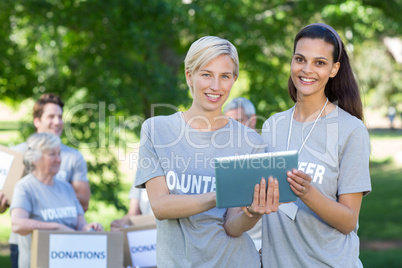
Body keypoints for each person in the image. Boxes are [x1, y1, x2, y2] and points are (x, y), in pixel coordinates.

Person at [134, 36, 279, 267]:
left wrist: (253, 211)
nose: (216, 86)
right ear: (189, 76)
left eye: (225, 76)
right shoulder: (156, 130)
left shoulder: (250, 142)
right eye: (206, 74)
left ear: (234, 79)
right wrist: (222, 193)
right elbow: (161, 206)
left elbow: (232, 226)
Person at [261, 23, 371, 267]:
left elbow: (348, 221)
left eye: (319, 63)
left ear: (334, 69)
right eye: (300, 59)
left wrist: (307, 193)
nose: (306, 69)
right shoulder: (271, 126)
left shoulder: (351, 130)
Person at [0, 93, 91, 268]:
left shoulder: (72, 158)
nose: (57, 122)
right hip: (24, 244)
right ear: (37, 121)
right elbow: (10, 212)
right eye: (51, 116)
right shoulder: (16, 157)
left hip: (66, 245)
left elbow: (82, 207)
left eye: (60, 117)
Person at [10, 133, 103, 268]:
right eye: (52, 154)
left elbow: (80, 224)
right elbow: (17, 224)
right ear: (35, 158)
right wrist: (56, 227)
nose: (58, 159)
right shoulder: (25, 187)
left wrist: (89, 228)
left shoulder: (65, 187)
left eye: (59, 154)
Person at [223, 97, 262, 250]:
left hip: (263, 240)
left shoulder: (268, 150)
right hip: (233, 242)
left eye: (238, 120)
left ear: (252, 120)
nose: (233, 127)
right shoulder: (225, 154)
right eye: (229, 122)